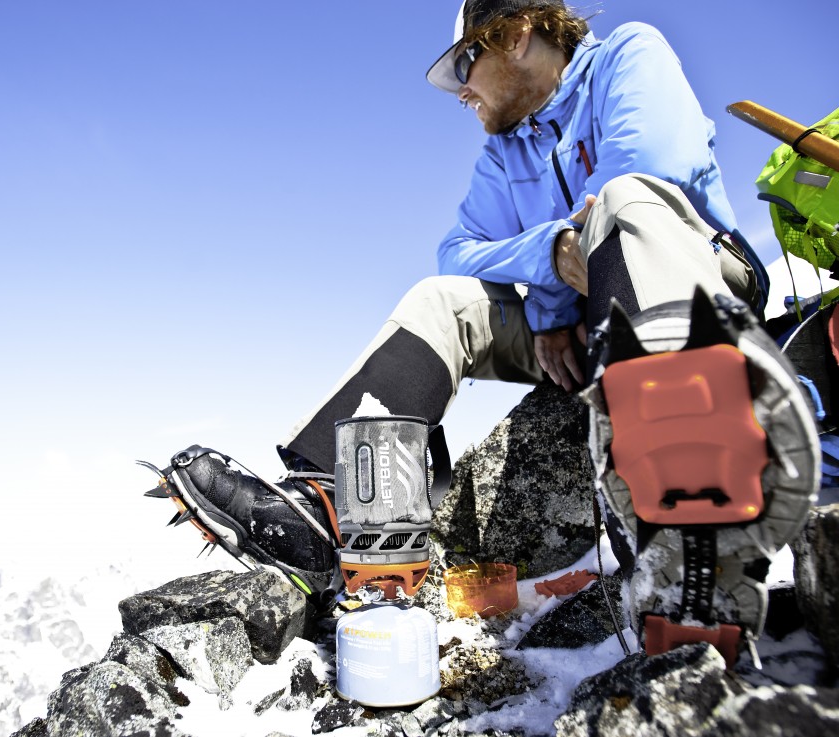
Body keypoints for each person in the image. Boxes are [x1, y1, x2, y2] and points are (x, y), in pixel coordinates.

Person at [146, 0, 819, 665]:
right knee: (443, 300)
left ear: (520, 34)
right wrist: (550, 262)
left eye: (468, 59)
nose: (460, 87)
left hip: (688, 292)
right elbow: (457, 252)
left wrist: (553, 295)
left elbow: (645, 172)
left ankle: (689, 534)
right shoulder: (505, 155)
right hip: (582, 330)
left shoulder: (627, 57)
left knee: (626, 202)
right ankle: (338, 516)